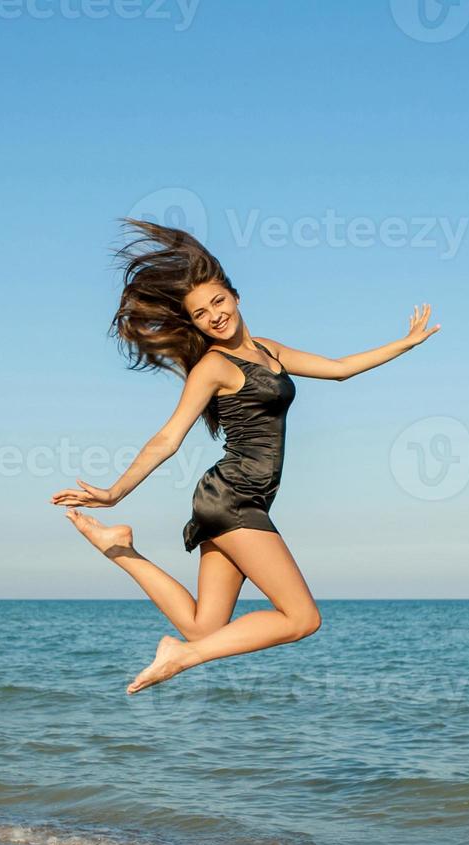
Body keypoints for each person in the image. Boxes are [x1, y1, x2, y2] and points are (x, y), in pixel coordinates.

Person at [50, 219, 441, 694]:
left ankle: (120, 548)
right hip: (234, 498)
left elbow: (339, 370)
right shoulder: (214, 366)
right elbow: (168, 438)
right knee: (301, 618)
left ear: (235, 297)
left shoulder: (267, 350)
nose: (213, 315)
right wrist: (115, 491)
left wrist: (404, 343)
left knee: (203, 626)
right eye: (200, 313)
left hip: (236, 498)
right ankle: (181, 657)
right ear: (194, 324)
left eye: (218, 301)